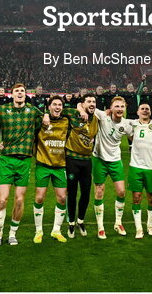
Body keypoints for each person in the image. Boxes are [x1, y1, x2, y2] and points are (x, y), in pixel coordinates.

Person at [0, 82, 43, 247]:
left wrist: (46, 116)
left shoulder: (33, 111)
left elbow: (46, 119)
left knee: (19, 200)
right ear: (12, 94)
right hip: (6, 160)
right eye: (17, 91)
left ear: (26, 95)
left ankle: (12, 233)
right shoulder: (3, 109)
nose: (20, 93)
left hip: (24, 160)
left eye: (22, 91)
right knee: (3, 199)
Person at [126, 102, 152, 238]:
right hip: (135, 166)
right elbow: (116, 120)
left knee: (151, 198)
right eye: (142, 109)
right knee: (136, 197)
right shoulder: (132, 124)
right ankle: (139, 228)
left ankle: (150, 225)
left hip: (151, 167)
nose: (145, 111)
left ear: (150, 112)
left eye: (147, 109)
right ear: (137, 112)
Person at [92, 95, 131, 238]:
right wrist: (82, 110)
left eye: (122, 106)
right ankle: (100, 226)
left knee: (121, 192)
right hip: (99, 159)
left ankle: (118, 223)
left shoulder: (127, 124)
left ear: (125, 108)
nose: (120, 109)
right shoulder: (103, 116)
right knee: (99, 191)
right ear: (111, 108)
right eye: (117, 106)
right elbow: (82, 105)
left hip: (115, 160)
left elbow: (137, 137)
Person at [33, 96, 70, 243]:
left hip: (60, 165)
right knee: (40, 197)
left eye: (60, 104)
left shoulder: (67, 121)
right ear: (48, 106)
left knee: (61, 198)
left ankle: (56, 230)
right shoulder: (40, 121)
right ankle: (39, 231)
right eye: (54, 104)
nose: (57, 107)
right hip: (43, 164)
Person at [64, 92, 98, 238]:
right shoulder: (73, 113)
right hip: (72, 160)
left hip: (87, 161)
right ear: (83, 104)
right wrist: (79, 108)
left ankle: (80, 221)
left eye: (94, 102)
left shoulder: (96, 119)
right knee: (71, 193)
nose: (92, 104)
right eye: (89, 101)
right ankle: (71, 223)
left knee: (85, 192)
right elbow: (60, 110)